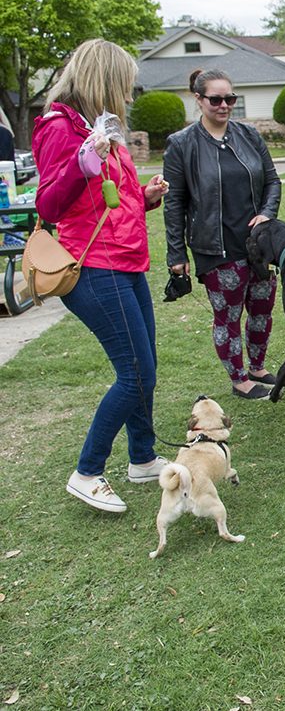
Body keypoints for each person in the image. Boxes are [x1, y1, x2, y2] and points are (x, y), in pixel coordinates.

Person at [32, 38, 171, 513]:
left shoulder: (99, 127)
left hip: (125, 262)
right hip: (92, 268)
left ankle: (142, 458)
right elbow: (49, 204)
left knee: (145, 365)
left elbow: (109, 201)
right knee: (134, 373)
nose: (129, 96)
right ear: (105, 82)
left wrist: (145, 197)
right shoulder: (60, 128)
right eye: (125, 86)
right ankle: (87, 471)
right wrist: (84, 161)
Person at [163, 69, 281, 400]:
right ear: (197, 100)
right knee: (227, 315)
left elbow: (272, 180)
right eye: (216, 99)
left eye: (230, 99)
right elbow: (173, 203)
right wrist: (176, 256)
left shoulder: (249, 135)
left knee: (262, 307)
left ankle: (257, 366)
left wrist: (267, 215)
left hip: (257, 243)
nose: (224, 105)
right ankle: (239, 378)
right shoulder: (181, 145)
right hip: (214, 246)